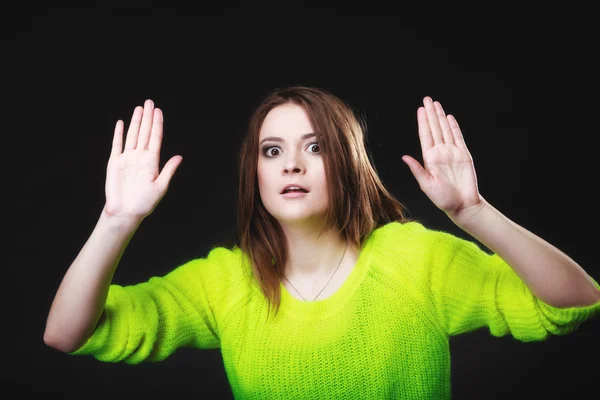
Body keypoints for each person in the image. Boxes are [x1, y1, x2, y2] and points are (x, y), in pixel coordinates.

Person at [44, 86, 600, 399]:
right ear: (255, 175)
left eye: (315, 147)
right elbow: (69, 334)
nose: (291, 163)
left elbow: (576, 300)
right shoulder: (224, 281)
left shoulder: (415, 257)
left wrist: (474, 213)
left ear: (348, 165)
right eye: (272, 150)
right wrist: (115, 221)